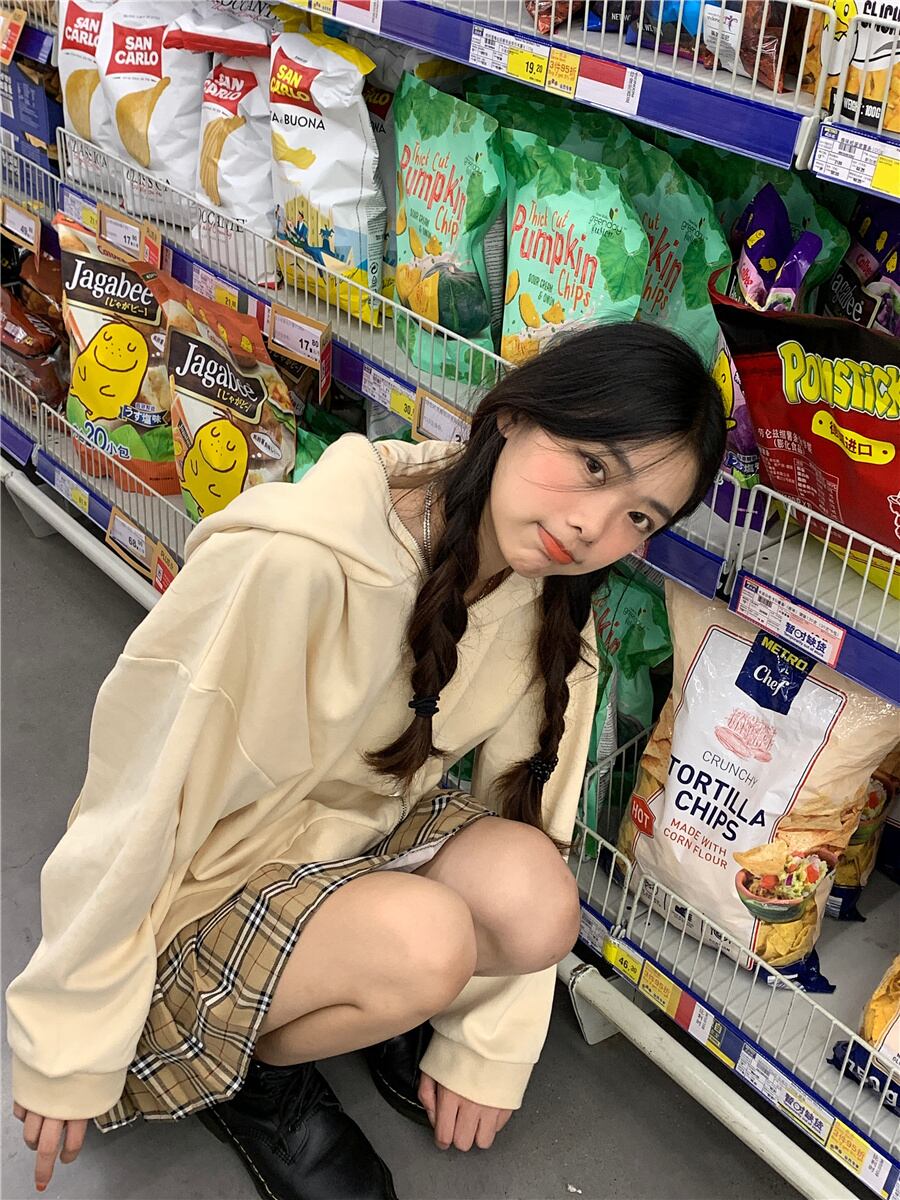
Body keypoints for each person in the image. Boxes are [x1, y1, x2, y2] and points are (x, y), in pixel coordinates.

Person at [7, 323, 726, 1200]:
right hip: (199, 894)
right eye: (593, 465)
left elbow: (533, 810)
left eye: (639, 517)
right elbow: (136, 795)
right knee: (430, 945)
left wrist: (485, 1047)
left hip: (343, 845)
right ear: (513, 416)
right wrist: (66, 1040)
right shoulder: (300, 562)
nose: (591, 526)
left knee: (538, 899)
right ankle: (254, 1073)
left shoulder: (546, 602)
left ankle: (366, 989)